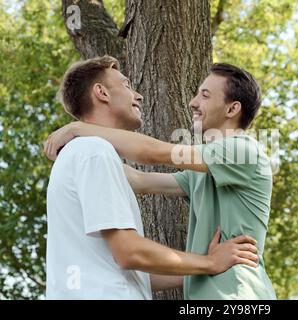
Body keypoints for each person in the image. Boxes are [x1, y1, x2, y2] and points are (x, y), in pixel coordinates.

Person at [45, 61, 276, 300]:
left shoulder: (244, 152)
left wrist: (79, 129)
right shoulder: (199, 174)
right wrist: (78, 157)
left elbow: (154, 154)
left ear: (232, 109)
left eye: (204, 96)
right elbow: (139, 180)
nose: (193, 102)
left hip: (239, 296)